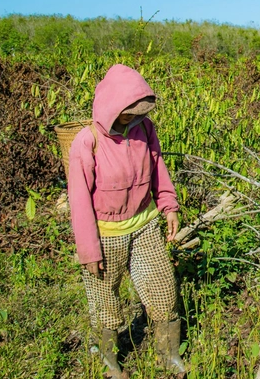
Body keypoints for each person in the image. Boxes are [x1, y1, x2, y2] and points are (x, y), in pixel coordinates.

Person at [68, 64, 186, 378]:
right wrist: (89, 250)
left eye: (138, 112)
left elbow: (158, 167)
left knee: (163, 292)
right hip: (105, 235)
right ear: (112, 106)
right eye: (128, 112)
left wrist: (168, 205)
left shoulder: (145, 129)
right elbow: (79, 201)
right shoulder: (87, 141)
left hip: (144, 226)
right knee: (105, 301)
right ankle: (109, 363)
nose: (134, 117)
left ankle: (169, 356)